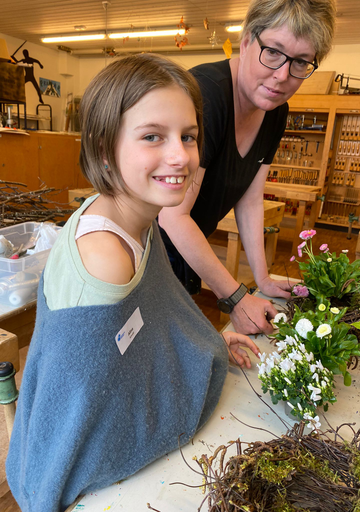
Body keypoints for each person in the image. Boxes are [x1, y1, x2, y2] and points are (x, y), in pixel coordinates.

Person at [6, 54, 260, 512]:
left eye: (188, 136)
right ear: (105, 148)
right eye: (152, 137)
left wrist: (208, 342)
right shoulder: (106, 257)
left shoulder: (139, 213)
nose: (180, 155)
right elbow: (83, 420)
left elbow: (155, 322)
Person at [158, 0, 336, 336]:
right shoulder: (206, 95)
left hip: (184, 250)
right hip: (142, 250)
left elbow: (251, 198)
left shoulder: (274, 109)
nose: (282, 75)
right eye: (273, 52)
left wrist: (263, 278)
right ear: (246, 41)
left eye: (300, 62)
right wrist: (236, 298)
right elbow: (172, 216)